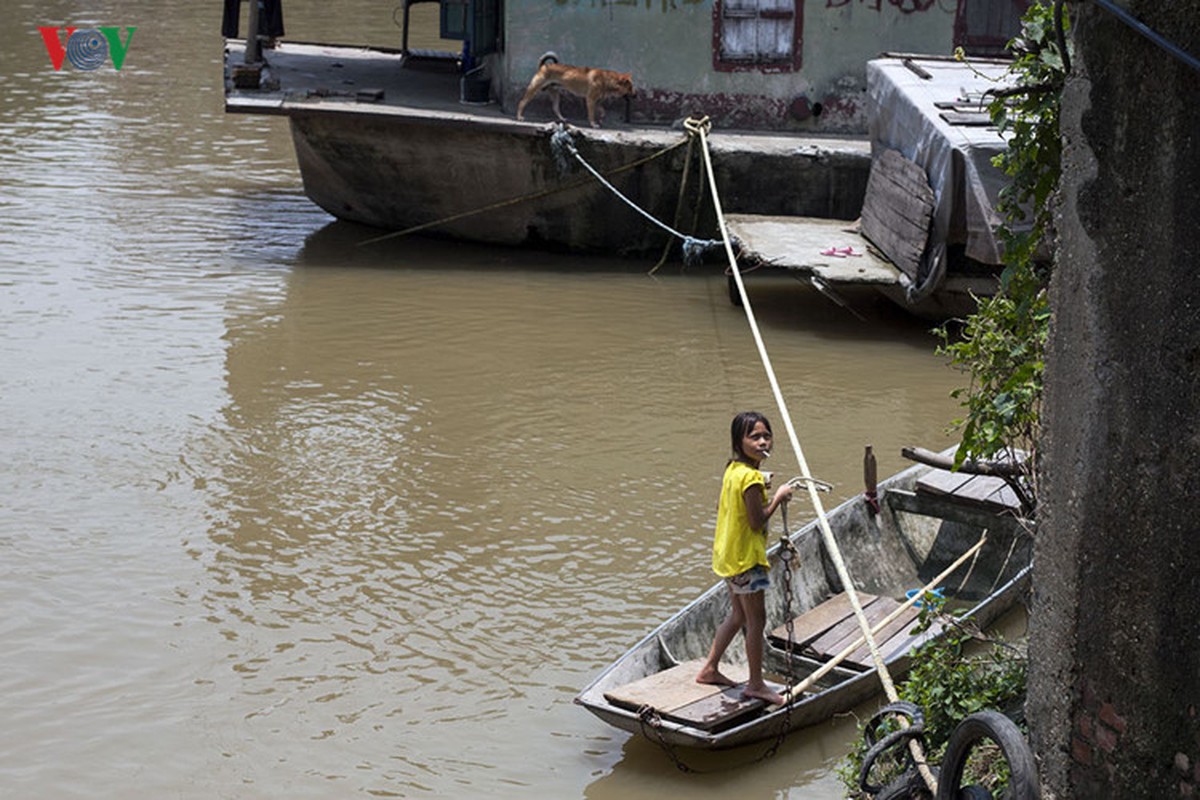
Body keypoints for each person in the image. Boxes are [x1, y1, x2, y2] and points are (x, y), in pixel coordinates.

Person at [696, 411, 794, 705]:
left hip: (728, 555)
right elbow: (756, 521)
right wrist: (779, 496)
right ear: (739, 442)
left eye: (766, 436)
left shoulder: (734, 470)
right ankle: (755, 684)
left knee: (738, 615)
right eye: (754, 437)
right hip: (747, 560)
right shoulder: (750, 478)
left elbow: (731, 502)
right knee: (756, 620)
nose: (762, 441)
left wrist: (761, 484)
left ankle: (710, 668)